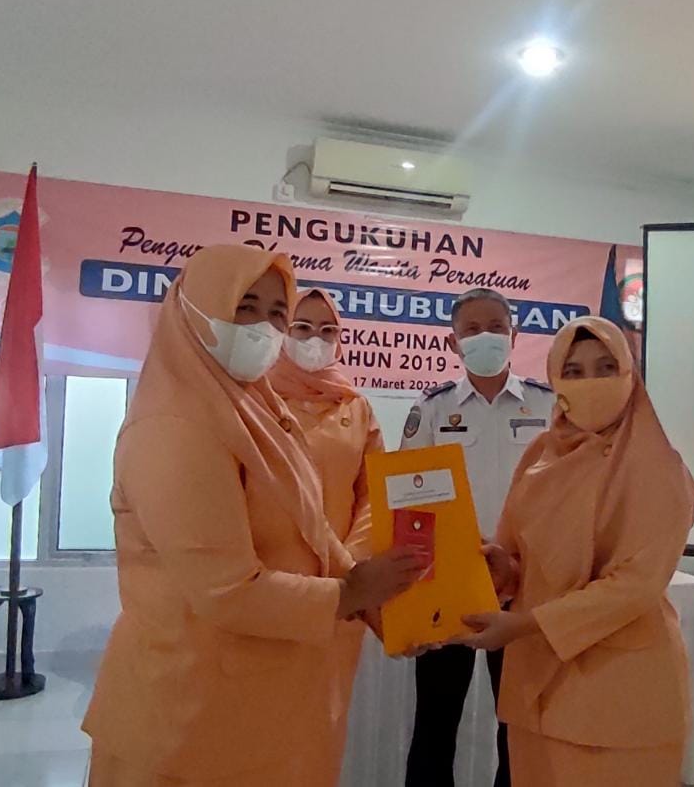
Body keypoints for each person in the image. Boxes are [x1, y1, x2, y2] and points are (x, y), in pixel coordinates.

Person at [82, 244, 423, 787]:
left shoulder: (258, 411)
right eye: (245, 307)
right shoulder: (173, 427)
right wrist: (353, 594)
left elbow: (314, 526)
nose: (264, 327)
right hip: (187, 711)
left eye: (276, 313)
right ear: (195, 307)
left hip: (268, 691)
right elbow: (227, 590)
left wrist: (374, 602)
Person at [456, 316, 694, 787]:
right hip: (537, 686)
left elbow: (634, 586)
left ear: (630, 373)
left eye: (606, 367)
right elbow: (519, 554)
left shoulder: (658, 467)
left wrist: (526, 624)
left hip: (618, 691)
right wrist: (500, 568)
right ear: (555, 380)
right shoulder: (540, 455)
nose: (591, 383)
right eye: (574, 371)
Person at [401, 287, 556, 787]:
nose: (484, 336)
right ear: (453, 343)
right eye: (471, 329)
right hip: (450, 583)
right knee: (436, 718)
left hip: (525, 583)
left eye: (495, 327)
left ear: (514, 336)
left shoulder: (549, 405)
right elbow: (410, 499)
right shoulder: (432, 408)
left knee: (517, 724)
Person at [267, 287, 385, 762]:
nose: (315, 339)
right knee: (260, 720)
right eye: (302, 328)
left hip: (342, 590)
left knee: (320, 724)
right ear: (282, 333)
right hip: (269, 585)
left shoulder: (356, 408)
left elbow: (374, 492)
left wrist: (349, 566)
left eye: (327, 330)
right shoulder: (255, 398)